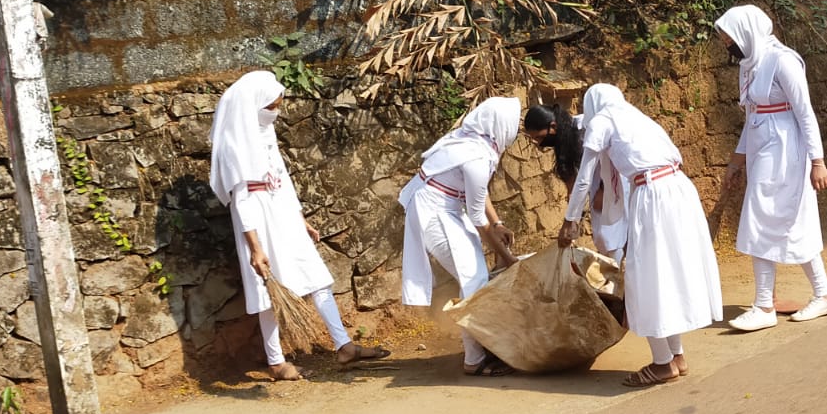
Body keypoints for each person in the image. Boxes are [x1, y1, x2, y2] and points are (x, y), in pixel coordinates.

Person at [209, 70, 389, 381]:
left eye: (279, 106)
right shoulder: (233, 145)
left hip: (283, 213)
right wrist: (255, 248)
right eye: (271, 107)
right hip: (259, 221)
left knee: (316, 276)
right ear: (253, 106)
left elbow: (282, 179)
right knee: (269, 291)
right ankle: (276, 362)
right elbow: (241, 200)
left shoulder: (265, 133)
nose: (275, 112)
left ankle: (344, 345)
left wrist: (299, 217)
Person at [557, 84, 722, 387]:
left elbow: (583, 179)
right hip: (678, 190)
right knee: (662, 274)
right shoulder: (637, 118)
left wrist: (570, 220)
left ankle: (662, 363)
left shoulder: (602, 121)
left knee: (644, 277)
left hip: (653, 195)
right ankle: (676, 356)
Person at [714, 5, 827, 330]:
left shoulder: (783, 61)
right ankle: (824, 294)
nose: (727, 44)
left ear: (746, 33)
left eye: (729, 38)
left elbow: (805, 112)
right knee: (787, 222)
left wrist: (818, 161)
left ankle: (764, 305)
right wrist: (736, 161)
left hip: (786, 151)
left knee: (760, 220)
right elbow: (752, 117)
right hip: (763, 150)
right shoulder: (750, 64)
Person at [398, 97, 523, 376]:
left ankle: (481, 349)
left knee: (474, 278)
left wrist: (498, 222)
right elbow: (477, 218)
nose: (513, 133)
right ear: (500, 126)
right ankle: (475, 359)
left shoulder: (473, 142)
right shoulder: (476, 155)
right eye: (513, 127)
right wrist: (508, 259)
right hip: (435, 212)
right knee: (474, 280)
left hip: (444, 206)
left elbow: (478, 191)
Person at [523, 101, 628, 260]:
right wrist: (573, 218)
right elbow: (572, 182)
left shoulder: (583, 130)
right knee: (603, 237)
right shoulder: (562, 141)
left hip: (615, 184)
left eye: (539, 137)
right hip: (600, 189)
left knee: (613, 235)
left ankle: (622, 271)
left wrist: (604, 189)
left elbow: (610, 158)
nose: (538, 142)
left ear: (553, 127)